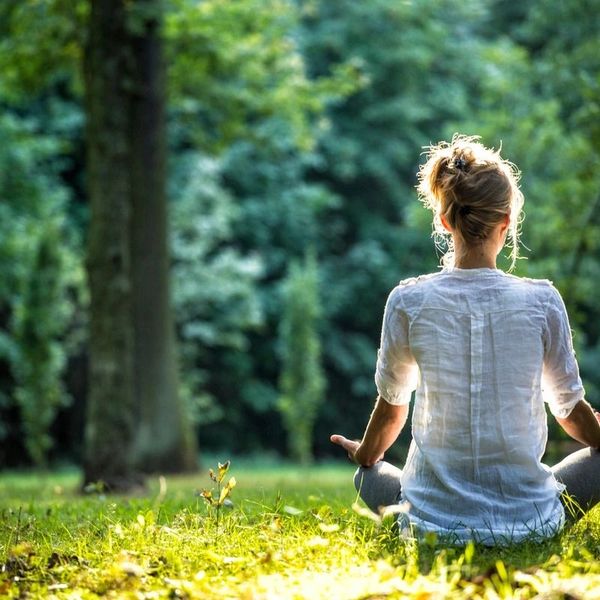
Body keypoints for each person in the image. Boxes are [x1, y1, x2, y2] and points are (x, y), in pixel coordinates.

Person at [330, 134, 600, 544]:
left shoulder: (408, 301)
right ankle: (525, 519)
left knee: (365, 475)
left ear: (444, 220)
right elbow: (568, 412)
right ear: (506, 221)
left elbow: (391, 412)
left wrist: (365, 454)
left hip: (429, 526)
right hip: (530, 524)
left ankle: (423, 508)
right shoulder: (541, 301)